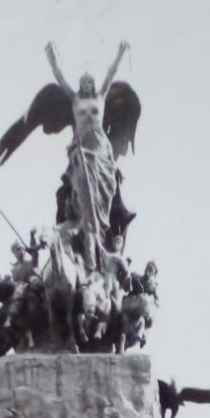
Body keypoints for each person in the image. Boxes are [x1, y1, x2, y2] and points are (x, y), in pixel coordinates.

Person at [45, 40, 130, 270]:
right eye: (82, 82)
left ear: (93, 84)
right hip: (82, 145)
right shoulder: (74, 99)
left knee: (103, 180)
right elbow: (60, 77)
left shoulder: (101, 96)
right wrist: (52, 56)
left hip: (99, 144)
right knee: (82, 168)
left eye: (88, 82)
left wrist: (120, 52)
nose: (85, 84)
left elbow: (110, 74)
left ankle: (96, 217)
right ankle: (82, 214)